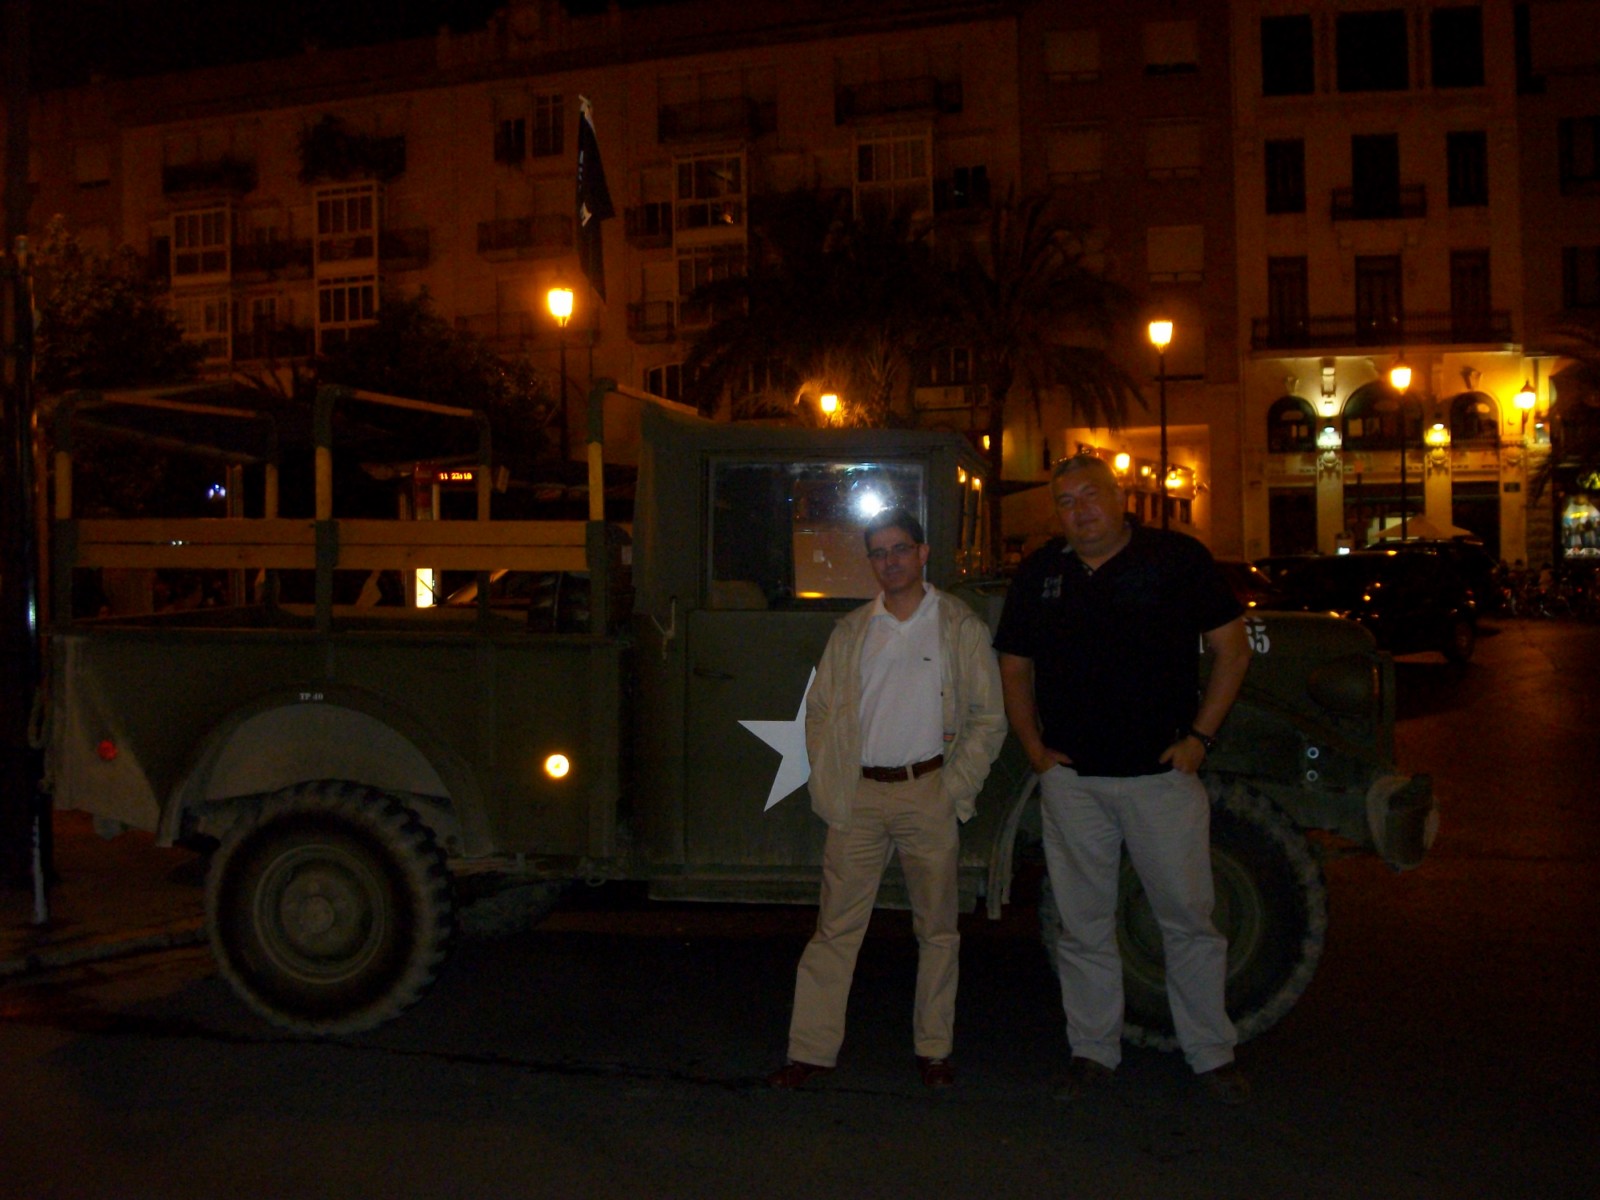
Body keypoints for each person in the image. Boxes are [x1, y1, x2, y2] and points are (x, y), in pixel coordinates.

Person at [993, 455, 1254, 1106]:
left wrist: (1199, 739)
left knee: (1187, 920)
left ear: (1119, 497)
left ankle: (1211, 1052)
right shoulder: (1042, 572)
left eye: (1090, 495)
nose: (1079, 510)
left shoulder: (1176, 559)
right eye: (1065, 501)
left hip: (1159, 778)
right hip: (1073, 781)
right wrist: (1033, 748)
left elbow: (1233, 648)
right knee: (1082, 924)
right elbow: (1014, 665)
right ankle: (1092, 1051)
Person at [768, 507, 1007, 1090]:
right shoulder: (853, 630)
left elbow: (988, 717)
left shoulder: (958, 626)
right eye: (879, 552)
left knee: (938, 930)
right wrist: (833, 778)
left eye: (900, 549)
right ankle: (809, 1051)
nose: (890, 561)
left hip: (927, 791)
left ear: (923, 553)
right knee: (834, 929)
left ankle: (934, 1050)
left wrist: (953, 788)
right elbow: (821, 711)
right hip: (860, 797)